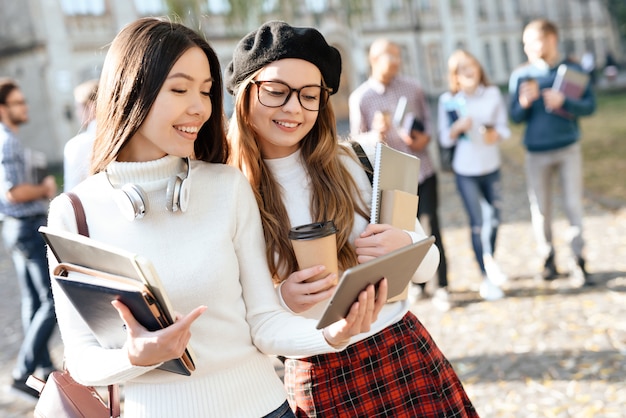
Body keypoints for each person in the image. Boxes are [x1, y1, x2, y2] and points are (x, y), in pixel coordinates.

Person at [46, 17, 386, 418]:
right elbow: (82, 360)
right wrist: (134, 356)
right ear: (131, 88)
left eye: (207, 91)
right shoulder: (74, 213)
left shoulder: (227, 187)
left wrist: (334, 333)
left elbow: (263, 323)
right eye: (179, 89)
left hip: (265, 408)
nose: (199, 107)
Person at [226, 21, 478, 417]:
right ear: (245, 95)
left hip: (401, 350)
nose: (294, 108)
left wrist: (405, 245)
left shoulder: (363, 160)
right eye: (276, 92)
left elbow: (429, 266)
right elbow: (243, 320)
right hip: (318, 372)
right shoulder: (229, 191)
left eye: (310, 95)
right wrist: (282, 299)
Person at [349, 38, 451, 310]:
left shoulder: (412, 87)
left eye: (398, 57)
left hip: (422, 169)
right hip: (392, 181)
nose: (396, 62)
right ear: (374, 59)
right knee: (403, 233)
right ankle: (416, 286)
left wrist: (423, 138)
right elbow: (356, 143)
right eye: (390, 57)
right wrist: (375, 135)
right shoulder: (361, 97)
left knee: (432, 229)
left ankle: (442, 286)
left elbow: (428, 121)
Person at [508, 19, 596, 285]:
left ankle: (579, 260)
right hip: (536, 152)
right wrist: (523, 104)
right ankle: (548, 259)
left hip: (568, 147)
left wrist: (564, 101)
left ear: (550, 39)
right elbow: (515, 116)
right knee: (541, 209)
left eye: (530, 41)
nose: (526, 48)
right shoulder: (521, 75)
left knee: (572, 205)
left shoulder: (573, 69)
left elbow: (590, 106)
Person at [0, 78, 58, 398]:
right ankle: (23, 372)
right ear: (3, 108)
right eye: (18, 103)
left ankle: (44, 368)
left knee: (33, 302)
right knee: (52, 301)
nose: (25, 107)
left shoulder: (7, 139)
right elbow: (12, 191)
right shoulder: (7, 140)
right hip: (24, 225)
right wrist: (45, 189)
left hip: (14, 227)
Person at [437, 49, 511, 301]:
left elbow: (503, 127)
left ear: (479, 69)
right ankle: (485, 276)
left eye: (472, 67)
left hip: (491, 165)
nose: (469, 72)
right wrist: (457, 128)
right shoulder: (448, 100)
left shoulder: (492, 94)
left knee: (496, 218)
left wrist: (496, 134)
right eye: (463, 69)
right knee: (478, 223)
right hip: (465, 169)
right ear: (455, 76)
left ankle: (490, 259)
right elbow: (444, 137)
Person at [63, 78, 98, 191]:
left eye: (78, 107)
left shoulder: (77, 145)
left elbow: (71, 191)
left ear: (90, 107)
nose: (77, 113)